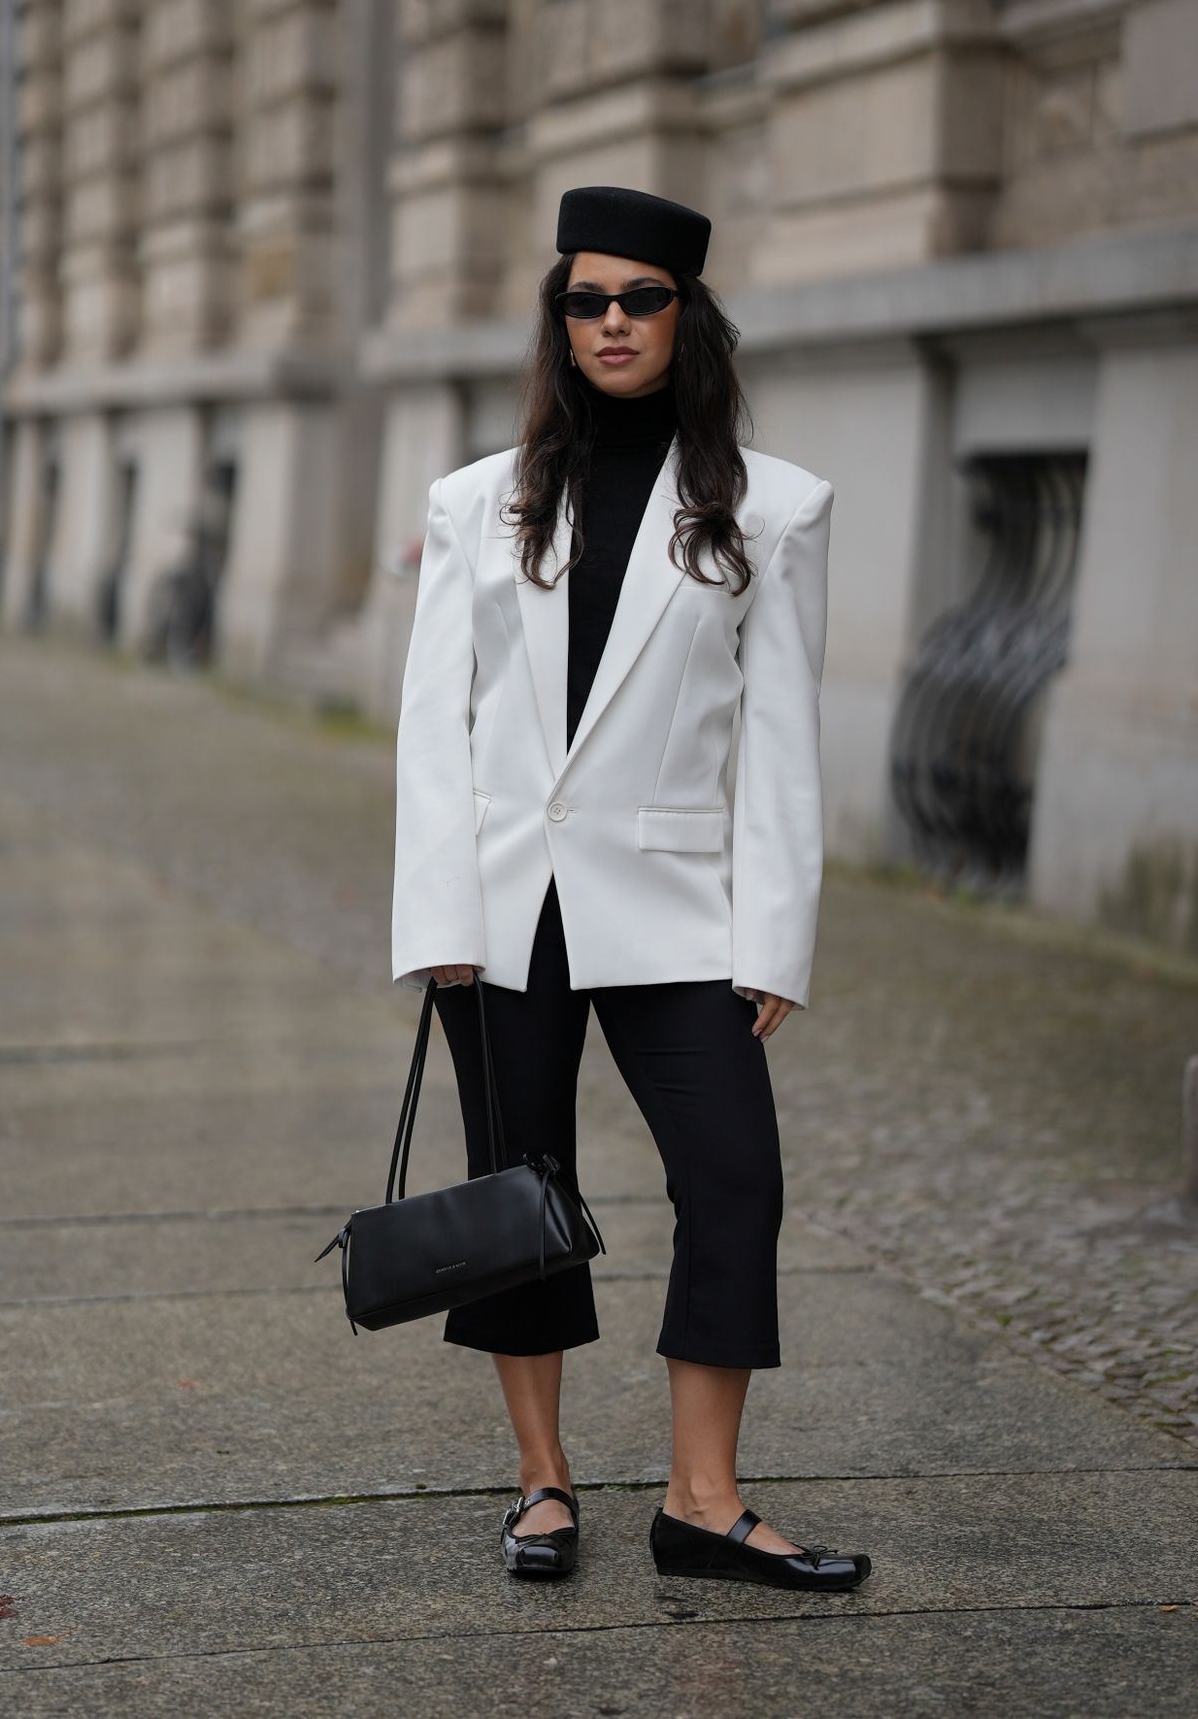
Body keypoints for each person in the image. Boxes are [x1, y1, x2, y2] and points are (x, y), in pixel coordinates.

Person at [391, 185, 870, 1592]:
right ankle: (544, 1483)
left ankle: (701, 1500)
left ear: (686, 314)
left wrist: (777, 930)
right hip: (504, 910)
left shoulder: (773, 509)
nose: (611, 322)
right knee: (521, 1191)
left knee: (735, 1179)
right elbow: (438, 727)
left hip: (676, 907)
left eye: (640, 298)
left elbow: (785, 736)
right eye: (586, 299)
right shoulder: (476, 502)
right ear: (559, 315)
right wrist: (438, 920)